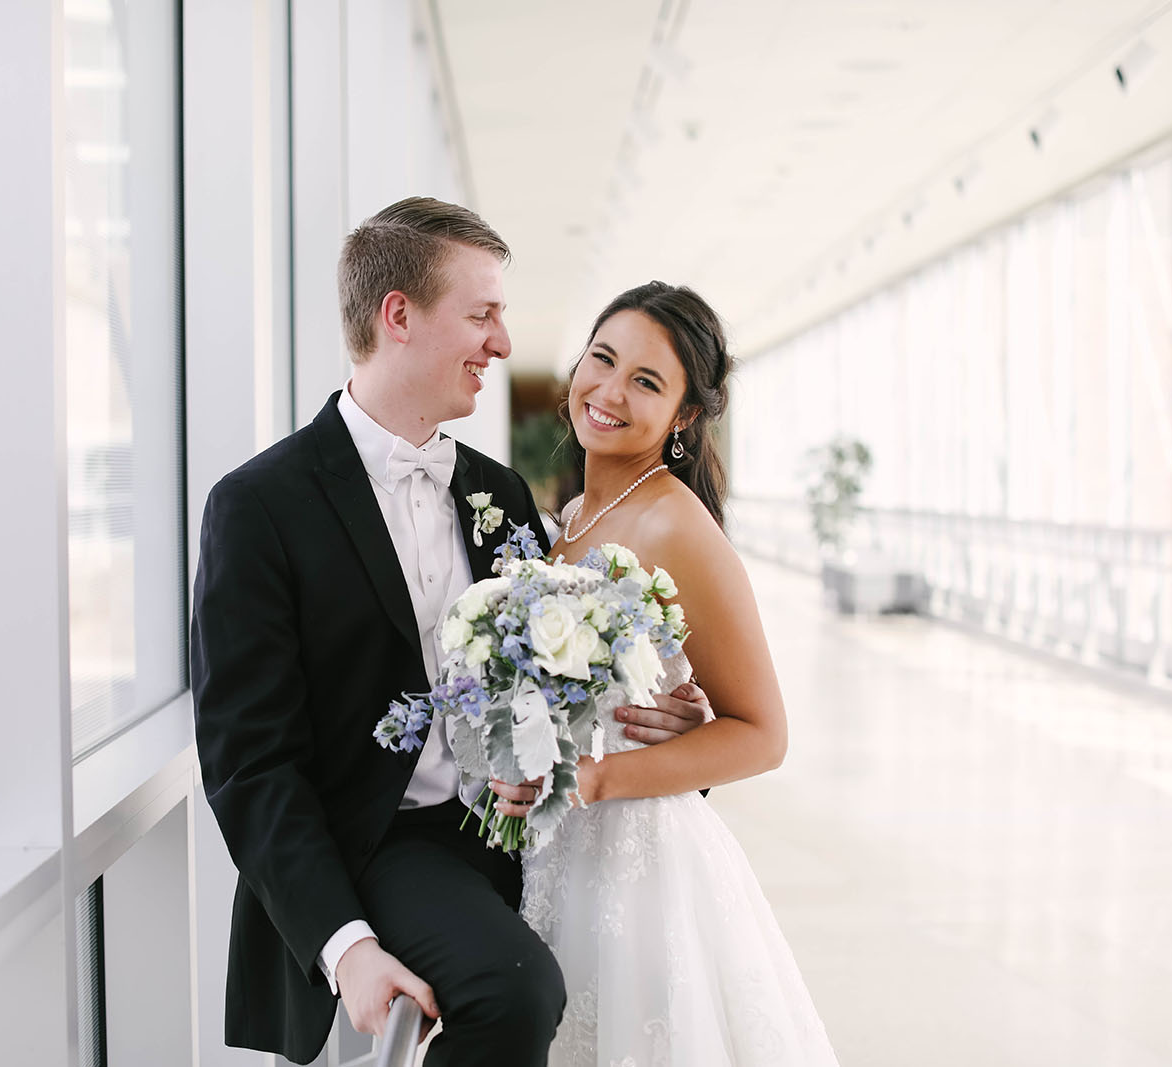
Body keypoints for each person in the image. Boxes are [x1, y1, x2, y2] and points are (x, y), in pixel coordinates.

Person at [189, 199, 713, 1066]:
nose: (503, 344)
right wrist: (348, 948)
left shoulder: (501, 492)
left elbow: (551, 676)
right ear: (399, 316)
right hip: (387, 844)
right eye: (483, 314)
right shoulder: (257, 507)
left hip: (524, 832)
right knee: (516, 989)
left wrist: (653, 712)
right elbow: (250, 764)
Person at [502, 281, 841, 1065]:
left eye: (647, 382)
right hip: (552, 858)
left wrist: (593, 778)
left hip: (635, 865)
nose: (609, 391)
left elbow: (764, 733)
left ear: (686, 416)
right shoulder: (570, 516)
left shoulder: (674, 523)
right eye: (604, 358)